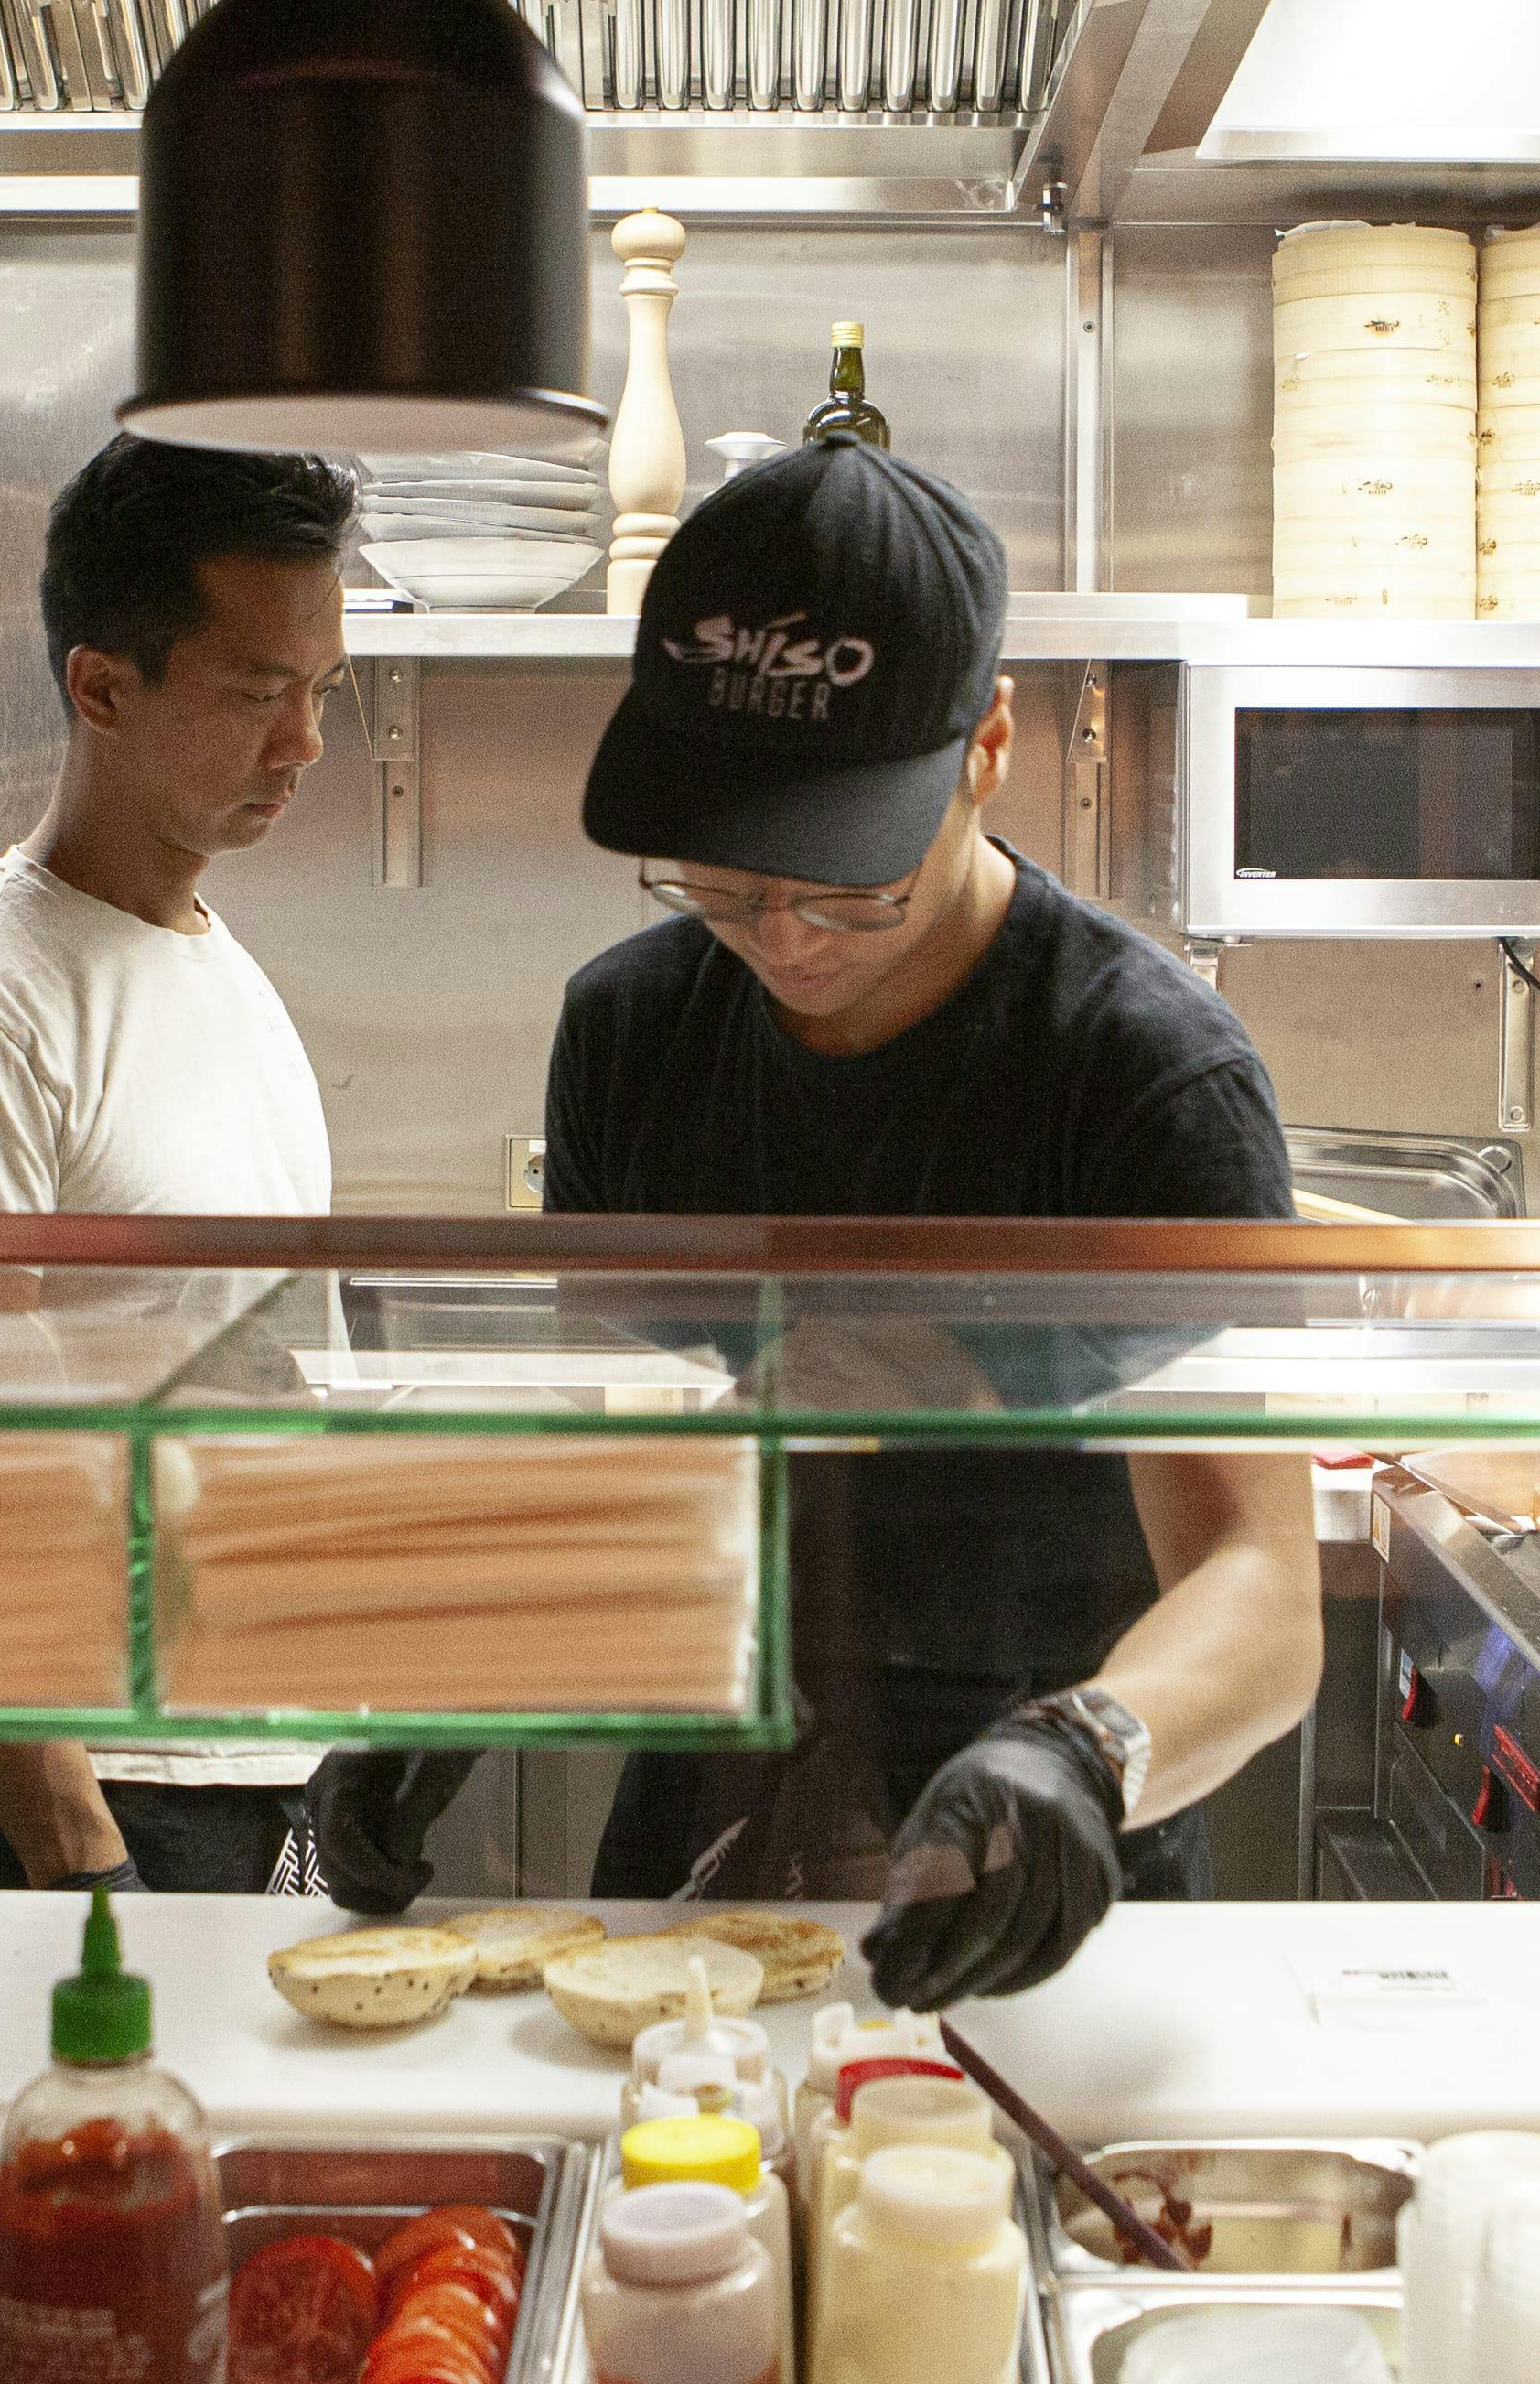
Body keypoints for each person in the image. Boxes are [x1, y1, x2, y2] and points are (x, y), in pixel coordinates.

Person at [313, 441, 1323, 2003]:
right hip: (706, 1835)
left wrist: (1091, 1750)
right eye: (719, 880)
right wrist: (471, 1653)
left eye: (849, 881)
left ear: (988, 745)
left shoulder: (1142, 1073)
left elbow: (1262, 1591)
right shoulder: (632, 1034)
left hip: (1038, 1858)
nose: (778, 930)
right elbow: (630, 1462)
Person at [0, 434, 348, 1893]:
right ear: (103, 686)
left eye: (322, 692)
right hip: (106, 1801)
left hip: (260, 1765)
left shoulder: (208, 956)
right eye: (257, 694)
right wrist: (82, 1862)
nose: (304, 742)